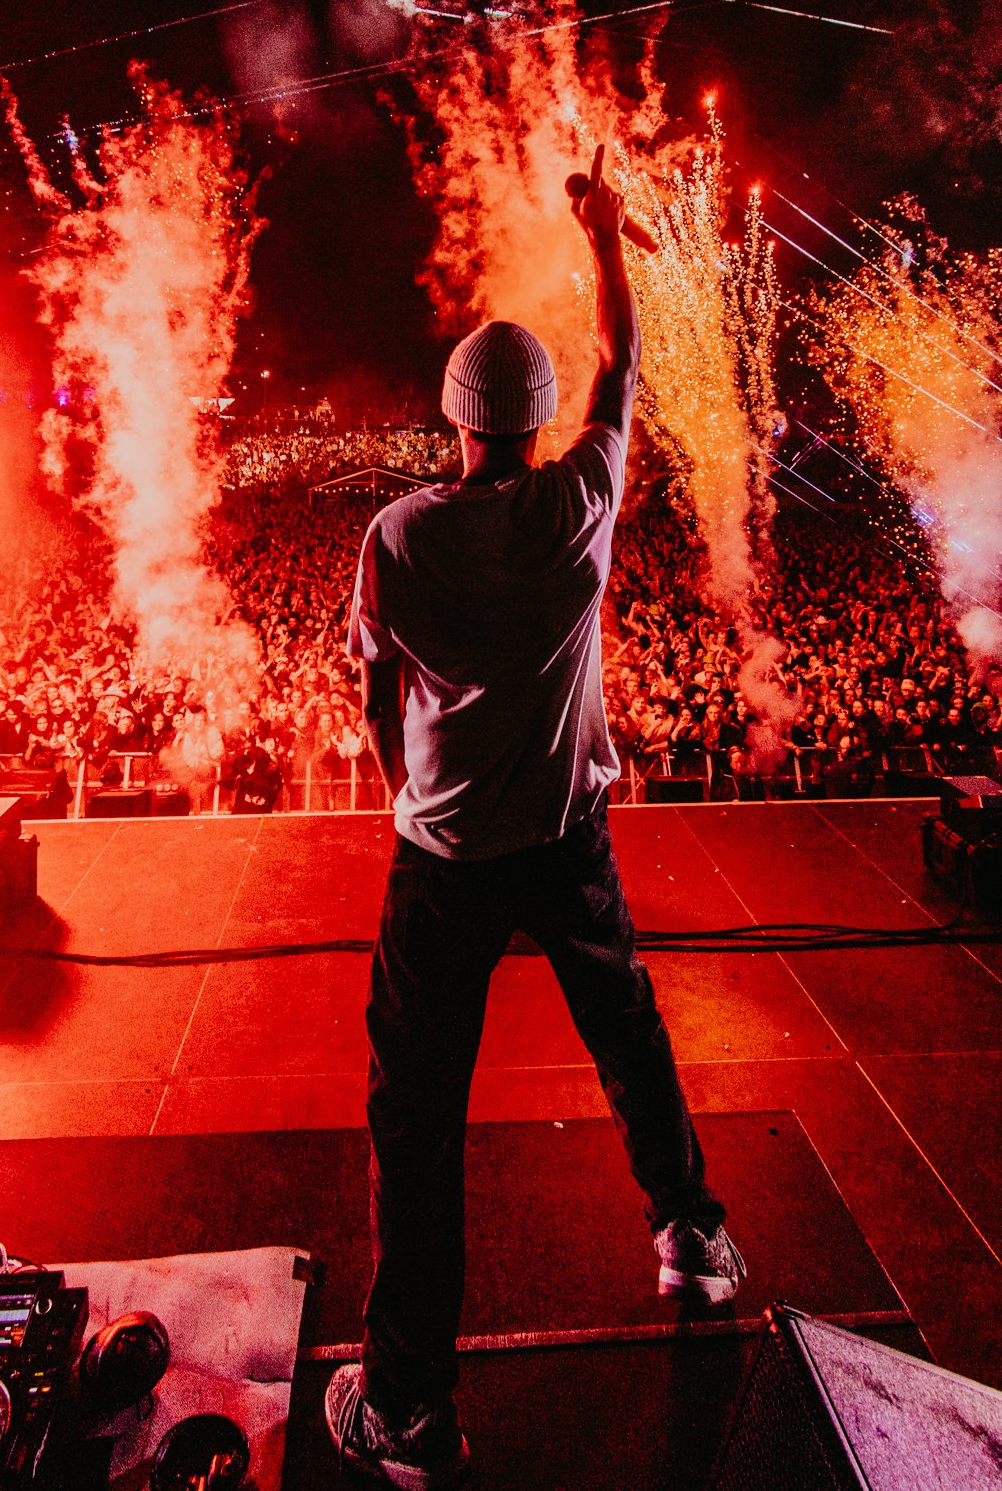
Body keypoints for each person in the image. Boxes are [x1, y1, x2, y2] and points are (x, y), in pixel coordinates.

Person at [326, 145, 742, 1489]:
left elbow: (376, 694)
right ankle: (690, 1237)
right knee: (627, 1035)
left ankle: (408, 1406)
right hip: (568, 840)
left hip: (441, 858)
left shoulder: (398, 535)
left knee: (417, 1119)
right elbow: (627, 364)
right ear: (541, 415)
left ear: (452, 416)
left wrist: (410, 790)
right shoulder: (582, 501)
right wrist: (606, 233)